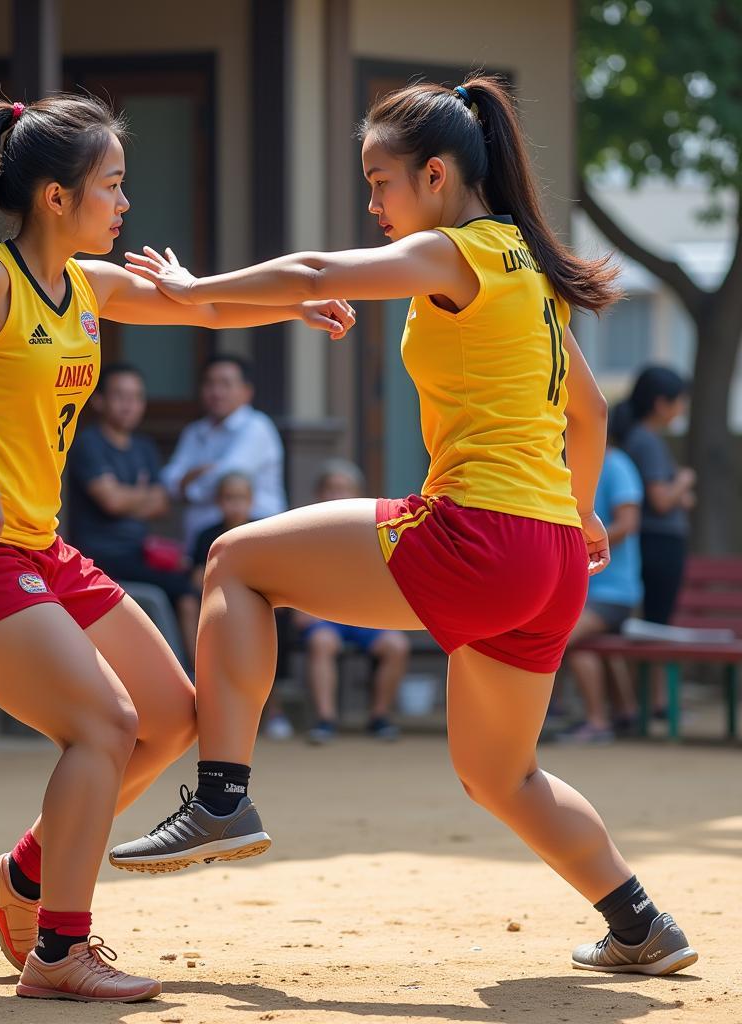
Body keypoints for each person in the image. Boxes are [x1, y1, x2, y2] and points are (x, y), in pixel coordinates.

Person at [111, 76, 697, 977]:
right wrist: (577, 515)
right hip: (548, 561)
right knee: (502, 776)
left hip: (481, 534)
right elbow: (590, 415)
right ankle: (640, 925)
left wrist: (192, 288)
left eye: (380, 183)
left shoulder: (457, 253)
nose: (373, 203)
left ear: (434, 175)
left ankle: (222, 798)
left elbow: (312, 272)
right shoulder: (529, 272)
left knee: (234, 559)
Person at [0, 94, 354, 1002]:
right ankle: (58, 952)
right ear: (52, 196)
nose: (123, 205)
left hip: (35, 545)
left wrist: (298, 302)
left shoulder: (89, 286)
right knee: (106, 727)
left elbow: (206, 304)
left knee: (171, 717)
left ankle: (19, 882)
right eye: (111, 186)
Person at [67, 362, 199, 663]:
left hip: (140, 552)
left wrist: (127, 496)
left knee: (199, 579)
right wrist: (142, 496)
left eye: (136, 397)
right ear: (99, 400)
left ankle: (198, 675)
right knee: (183, 590)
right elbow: (111, 502)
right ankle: (189, 677)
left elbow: (162, 503)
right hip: (100, 556)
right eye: (120, 396)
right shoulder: (89, 443)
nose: (130, 405)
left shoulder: (144, 447)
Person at [295, 460, 408, 744]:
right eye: (331, 488)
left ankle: (379, 717)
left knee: (397, 645)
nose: (337, 495)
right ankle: (325, 720)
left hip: (365, 616)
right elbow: (289, 576)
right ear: (319, 494)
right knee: (321, 643)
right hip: (322, 617)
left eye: (344, 489)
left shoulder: (374, 530)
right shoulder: (302, 531)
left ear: (358, 494)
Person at [192, 471, 293, 739]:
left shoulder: (261, 531)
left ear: (251, 500)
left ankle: (274, 711)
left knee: (275, 633)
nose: (235, 504)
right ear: (218, 501)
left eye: (240, 498)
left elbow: (276, 575)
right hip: (219, 608)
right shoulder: (206, 536)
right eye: (228, 497)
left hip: (258, 606)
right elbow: (197, 577)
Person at [558, 444, 644, 744]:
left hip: (614, 593)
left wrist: (581, 545)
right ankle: (623, 711)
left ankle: (596, 721)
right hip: (584, 591)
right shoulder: (564, 465)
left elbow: (628, 523)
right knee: (584, 646)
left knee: (561, 635)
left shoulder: (617, 464)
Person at [161, 354, 287, 550]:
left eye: (226, 384)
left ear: (247, 391)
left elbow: (226, 478)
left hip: (253, 537)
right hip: (201, 542)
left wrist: (187, 486)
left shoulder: (257, 426)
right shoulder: (195, 431)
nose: (216, 392)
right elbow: (168, 479)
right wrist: (183, 483)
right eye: (210, 384)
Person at [612, 366, 693, 627]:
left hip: (652, 542)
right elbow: (660, 500)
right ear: (660, 403)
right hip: (660, 543)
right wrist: (683, 481)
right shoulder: (646, 441)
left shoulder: (637, 438)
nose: (682, 408)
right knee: (657, 628)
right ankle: (653, 671)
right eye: (679, 401)